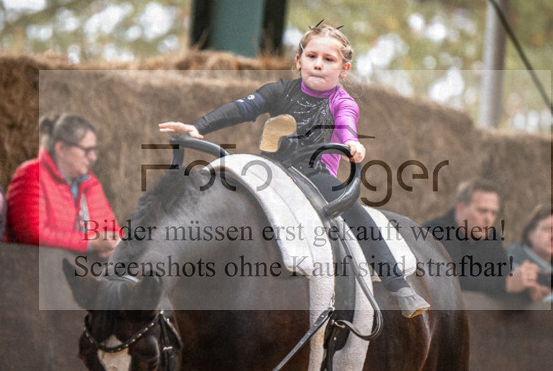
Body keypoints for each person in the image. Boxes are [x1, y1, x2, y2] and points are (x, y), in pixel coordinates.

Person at [158, 21, 428, 318]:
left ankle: (398, 284)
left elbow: (346, 124)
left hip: (314, 174)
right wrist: (199, 126)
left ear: (344, 69)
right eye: (312, 57)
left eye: (329, 60)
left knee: (356, 212)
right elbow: (242, 107)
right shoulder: (279, 90)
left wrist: (352, 143)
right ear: (298, 61)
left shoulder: (343, 102)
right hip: (268, 168)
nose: (318, 65)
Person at [5, 113, 120, 258]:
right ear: (61, 149)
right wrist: (90, 243)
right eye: (87, 150)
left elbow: (114, 232)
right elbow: (32, 234)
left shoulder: (91, 183)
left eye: (94, 150)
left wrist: (116, 246)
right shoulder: (31, 174)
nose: (93, 157)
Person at [422, 179, 540, 299]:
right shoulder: (435, 232)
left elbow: (505, 277)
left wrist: (526, 290)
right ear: (461, 208)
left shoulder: (491, 239)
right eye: (482, 211)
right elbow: (448, 280)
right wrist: (504, 284)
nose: (489, 219)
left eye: (494, 213)